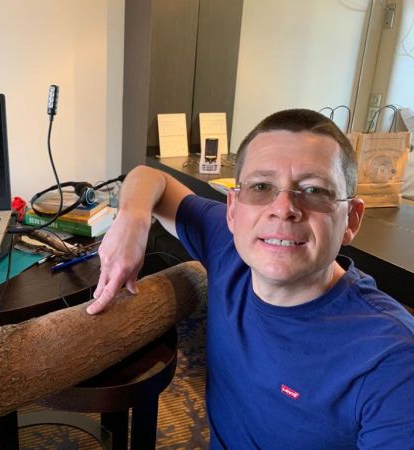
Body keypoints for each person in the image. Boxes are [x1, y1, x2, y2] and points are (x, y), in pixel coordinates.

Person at [87, 109, 414, 448]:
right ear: (232, 209)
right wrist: (132, 220)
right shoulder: (231, 247)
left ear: (351, 220)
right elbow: (148, 176)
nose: (283, 208)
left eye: (314, 190)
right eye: (261, 186)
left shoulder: (392, 361)